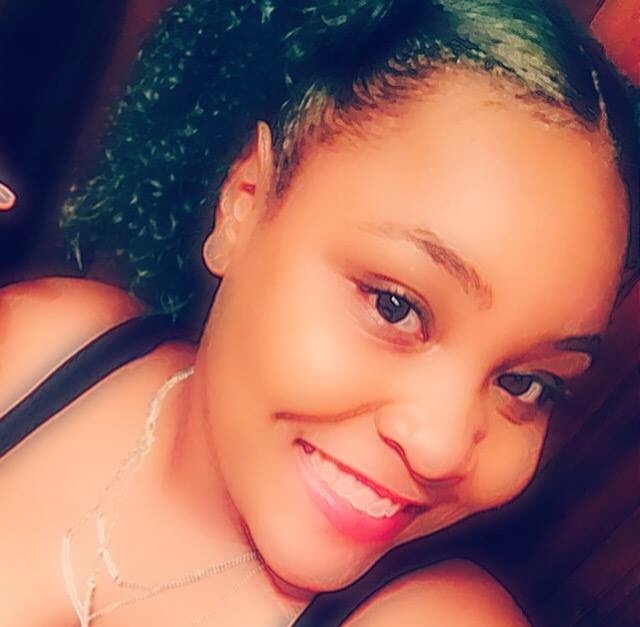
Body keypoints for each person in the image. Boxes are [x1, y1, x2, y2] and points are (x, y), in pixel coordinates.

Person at [0, 1, 638, 625]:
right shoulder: (47, 348)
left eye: (524, 383)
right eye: (395, 306)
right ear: (245, 202)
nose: (440, 448)